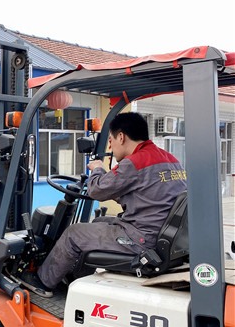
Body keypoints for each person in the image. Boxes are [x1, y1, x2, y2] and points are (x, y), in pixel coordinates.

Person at [19, 112, 187, 298]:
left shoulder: (134, 163)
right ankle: (75, 276)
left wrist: (97, 169)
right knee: (103, 221)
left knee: (74, 233)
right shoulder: (170, 159)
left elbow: (96, 190)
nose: (110, 146)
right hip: (163, 235)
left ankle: (43, 282)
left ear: (121, 137)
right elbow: (148, 195)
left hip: (142, 239)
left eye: (111, 140)